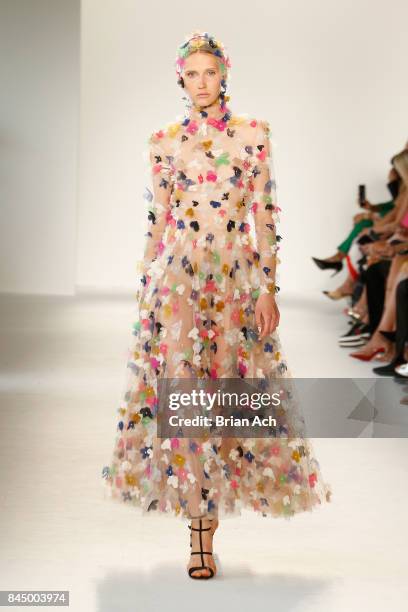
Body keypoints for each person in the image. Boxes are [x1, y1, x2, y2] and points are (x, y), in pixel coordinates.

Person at [101, 30, 332, 580]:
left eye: (210, 71)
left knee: (230, 398)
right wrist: (146, 286)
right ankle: (198, 534)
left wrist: (269, 288)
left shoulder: (254, 135)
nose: (202, 82)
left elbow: (266, 215)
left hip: (235, 283)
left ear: (224, 74)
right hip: (179, 283)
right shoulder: (162, 141)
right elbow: (157, 221)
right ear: (179, 78)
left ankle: (209, 518)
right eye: (192, 73)